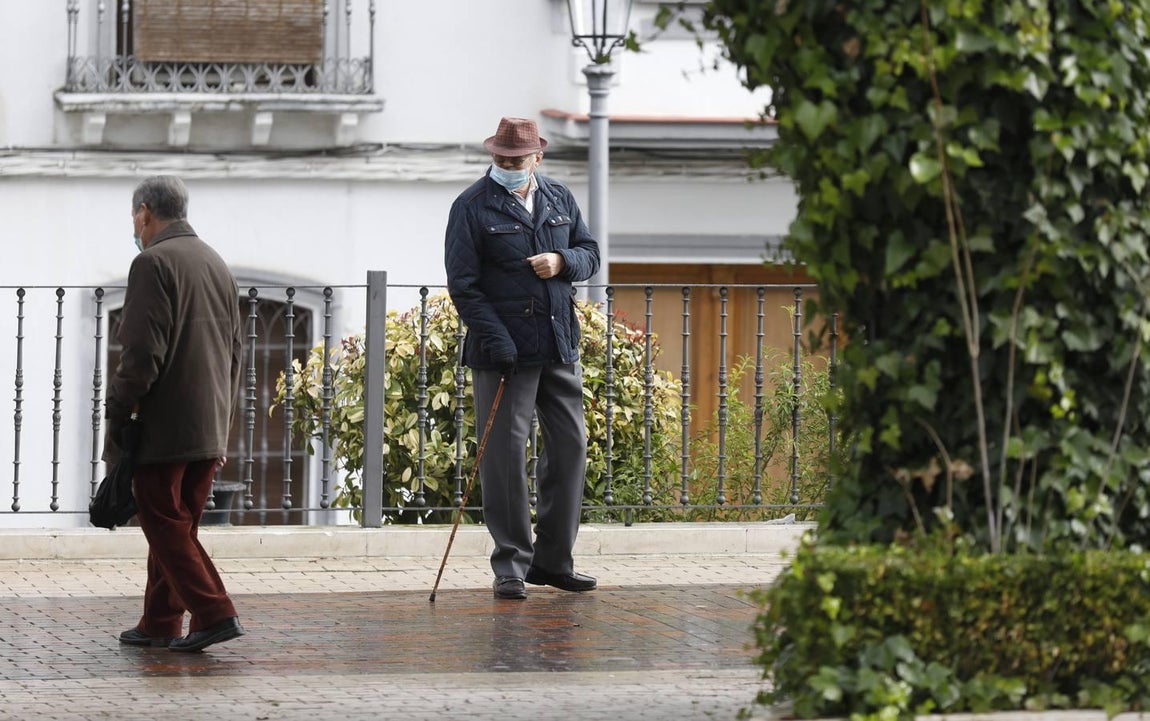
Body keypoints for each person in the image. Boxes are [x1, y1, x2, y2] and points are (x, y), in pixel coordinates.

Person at [445, 117, 601, 600]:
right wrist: (498, 341)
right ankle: (511, 564)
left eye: (517, 159)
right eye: (501, 158)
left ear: (538, 157)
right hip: (503, 355)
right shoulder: (471, 206)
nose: (508, 166)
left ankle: (554, 562)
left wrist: (563, 263)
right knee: (505, 455)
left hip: (558, 343)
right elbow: (464, 288)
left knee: (571, 445)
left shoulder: (559, 198)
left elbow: (590, 253)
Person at [106, 175, 245, 651]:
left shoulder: (152, 262)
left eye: (134, 218)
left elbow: (142, 351)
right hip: (208, 425)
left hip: (166, 424)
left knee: (162, 522)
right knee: (177, 524)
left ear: (145, 212)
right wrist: (222, 430)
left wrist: (120, 409)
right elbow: (235, 353)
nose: (135, 226)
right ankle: (160, 621)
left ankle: (214, 611)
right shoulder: (215, 261)